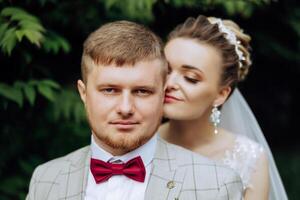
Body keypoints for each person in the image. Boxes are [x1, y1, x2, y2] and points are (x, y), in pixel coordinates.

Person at [26, 20, 244, 200]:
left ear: (162, 94)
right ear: (84, 93)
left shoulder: (217, 185)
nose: (125, 108)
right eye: (110, 90)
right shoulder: (45, 179)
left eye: (142, 91)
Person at [159, 15, 288, 200]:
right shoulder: (136, 141)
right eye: (166, 70)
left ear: (221, 94)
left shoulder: (248, 159)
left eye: (190, 78)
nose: (169, 83)